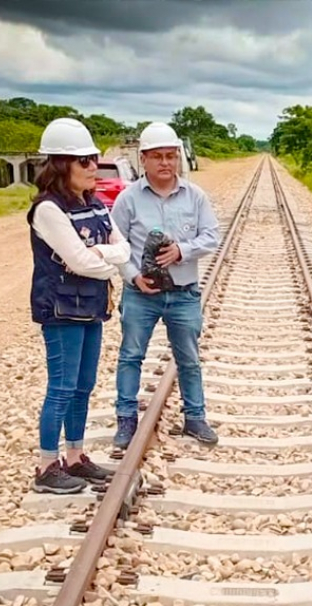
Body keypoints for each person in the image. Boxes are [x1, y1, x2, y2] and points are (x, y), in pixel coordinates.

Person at [28, 118, 131, 493]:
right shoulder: (48, 210)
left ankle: (74, 456)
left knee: (83, 385)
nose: (93, 167)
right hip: (60, 309)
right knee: (62, 386)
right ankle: (45, 465)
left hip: (90, 306)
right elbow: (78, 261)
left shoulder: (95, 203)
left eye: (93, 159)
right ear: (61, 165)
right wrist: (104, 260)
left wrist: (100, 254)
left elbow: (123, 249)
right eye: (84, 161)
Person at [110, 122, 221, 448]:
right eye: (157, 156)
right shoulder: (127, 199)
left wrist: (181, 251)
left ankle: (195, 418)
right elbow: (116, 245)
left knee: (188, 357)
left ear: (178, 158)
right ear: (143, 159)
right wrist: (133, 276)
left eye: (171, 156)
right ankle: (126, 419)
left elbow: (211, 235)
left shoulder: (195, 196)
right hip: (140, 294)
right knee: (131, 355)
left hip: (184, 292)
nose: (165, 163)